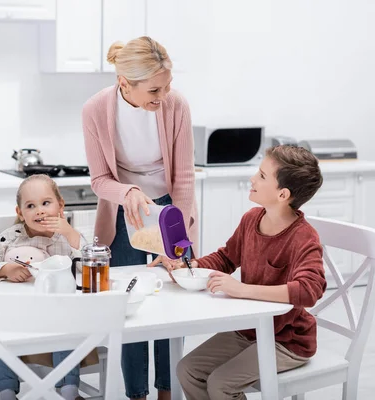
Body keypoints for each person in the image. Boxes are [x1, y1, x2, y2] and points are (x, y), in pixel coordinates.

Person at [81, 36, 197, 399]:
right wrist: (126, 192)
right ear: (124, 83)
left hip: (169, 209)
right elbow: (99, 179)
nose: (162, 96)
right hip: (122, 212)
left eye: (167, 86)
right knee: (127, 309)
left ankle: (167, 392)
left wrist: (176, 242)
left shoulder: (175, 105)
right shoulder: (95, 109)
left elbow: (184, 177)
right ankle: (137, 394)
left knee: (171, 304)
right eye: (154, 89)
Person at [175, 145, 327, 399]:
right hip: (249, 330)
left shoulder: (303, 237)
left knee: (221, 384)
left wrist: (240, 289)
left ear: (283, 194)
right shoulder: (251, 219)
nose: (252, 179)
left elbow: (309, 290)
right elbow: (226, 258)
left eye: (262, 176)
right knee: (187, 370)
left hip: (287, 341)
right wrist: (187, 266)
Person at [0, 174, 87, 400]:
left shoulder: (67, 238)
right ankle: (6, 391)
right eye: (30, 206)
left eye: (46, 203)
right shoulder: (11, 238)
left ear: (60, 205)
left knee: (68, 326)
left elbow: (88, 269)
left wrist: (71, 234)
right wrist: (6, 269)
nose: (39, 211)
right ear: (20, 213)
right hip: (17, 316)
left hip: (58, 316)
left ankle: (68, 390)